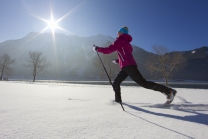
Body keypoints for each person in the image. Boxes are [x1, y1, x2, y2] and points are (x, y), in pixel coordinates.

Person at [93, 26, 177, 104]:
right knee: (116, 83)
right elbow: (126, 55)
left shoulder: (120, 40)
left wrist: (97, 49)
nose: (117, 33)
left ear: (121, 32)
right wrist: (118, 61)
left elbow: (109, 49)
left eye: (118, 32)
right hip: (126, 66)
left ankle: (169, 91)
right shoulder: (126, 42)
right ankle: (118, 102)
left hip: (129, 66)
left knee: (143, 83)